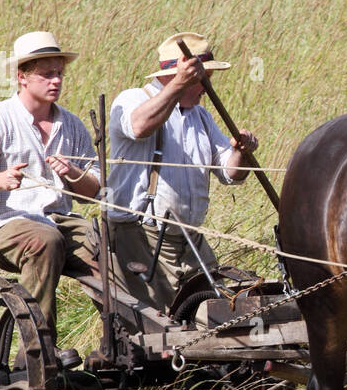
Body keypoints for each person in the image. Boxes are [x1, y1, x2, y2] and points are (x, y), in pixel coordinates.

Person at [0, 31, 101, 344]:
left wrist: (75, 174)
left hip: (59, 220)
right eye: (46, 75)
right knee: (44, 241)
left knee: (108, 244)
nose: (56, 81)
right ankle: (37, 352)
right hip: (4, 223)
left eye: (59, 74)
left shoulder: (71, 125)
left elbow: (95, 190)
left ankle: (126, 346)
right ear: (22, 77)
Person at [107, 31, 259, 311]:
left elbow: (230, 174)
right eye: (203, 78)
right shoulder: (132, 99)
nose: (206, 86)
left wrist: (241, 152)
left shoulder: (200, 116)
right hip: (143, 235)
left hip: (188, 236)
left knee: (219, 308)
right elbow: (139, 127)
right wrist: (179, 83)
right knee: (165, 322)